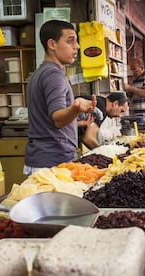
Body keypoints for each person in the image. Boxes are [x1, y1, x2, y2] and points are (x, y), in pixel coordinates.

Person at [24, 20, 96, 175]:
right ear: (52, 44)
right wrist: (76, 108)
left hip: (42, 159)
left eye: (76, 41)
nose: (76, 46)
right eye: (70, 41)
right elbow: (57, 118)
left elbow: (49, 120)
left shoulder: (39, 73)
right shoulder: (54, 75)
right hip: (53, 163)